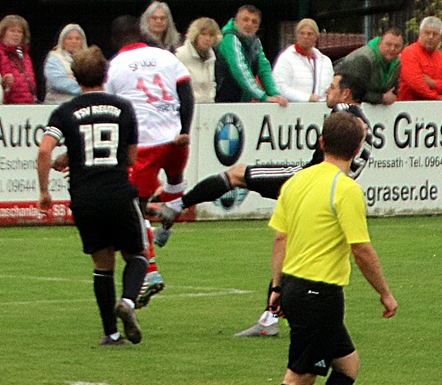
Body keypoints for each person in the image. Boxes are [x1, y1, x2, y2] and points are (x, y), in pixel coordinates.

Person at [156, 73, 373, 339]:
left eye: (332, 87)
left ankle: (176, 205)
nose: (327, 92)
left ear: (347, 94)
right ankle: (270, 318)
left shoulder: (346, 114)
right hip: (325, 188)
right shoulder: (363, 121)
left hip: (307, 179)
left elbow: (344, 116)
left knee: (237, 175)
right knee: (291, 242)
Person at [256, 111, 397, 385]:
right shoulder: (345, 189)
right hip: (319, 293)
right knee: (299, 376)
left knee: (347, 365)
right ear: (357, 149)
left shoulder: (297, 182)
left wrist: (276, 287)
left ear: (320, 143)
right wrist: (385, 293)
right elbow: (361, 249)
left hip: (298, 288)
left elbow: (280, 239)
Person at [37, 45, 149, 346]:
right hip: (117, 192)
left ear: (74, 76)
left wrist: (45, 191)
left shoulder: (64, 112)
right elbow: (131, 156)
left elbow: (45, 150)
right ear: (106, 73)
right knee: (137, 255)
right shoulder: (122, 107)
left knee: (102, 264)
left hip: (85, 197)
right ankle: (126, 302)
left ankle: (111, 333)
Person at [105, 15, 194, 309]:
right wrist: (184, 129)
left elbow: (110, 108)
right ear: (141, 32)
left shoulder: (115, 65)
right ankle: (168, 220)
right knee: (176, 180)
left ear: (117, 39)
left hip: (144, 142)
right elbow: (186, 91)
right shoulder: (164, 56)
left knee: (136, 209)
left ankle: (151, 272)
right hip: (174, 138)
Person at [215, 5, 288, 106]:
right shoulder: (229, 38)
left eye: (254, 22)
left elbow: (264, 68)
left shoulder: (255, 41)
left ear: (258, 27)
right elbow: (240, 70)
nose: (249, 24)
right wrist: (263, 97)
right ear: (236, 20)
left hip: (242, 100)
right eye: (245, 20)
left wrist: (275, 94)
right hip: (223, 100)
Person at [333, 28, 404, 105]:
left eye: (397, 46)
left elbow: (393, 91)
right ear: (379, 43)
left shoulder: (397, 63)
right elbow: (354, 93)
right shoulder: (363, 59)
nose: (392, 49)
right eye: (388, 44)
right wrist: (381, 98)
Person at [272, 18, 334, 103]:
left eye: (310, 34)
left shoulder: (325, 61)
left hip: (321, 109)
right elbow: (280, 87)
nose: (305, 37)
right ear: (297, 35)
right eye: (302, 33)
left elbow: (330, 87)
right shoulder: (286, 58)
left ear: (316, 36)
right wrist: (307, 98)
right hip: (294, 109)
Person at [396, 16, 442, 101]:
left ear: (440, 38)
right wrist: (437, 97)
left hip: (437, 109)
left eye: (435, 34)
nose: (431, 37)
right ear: (420, 34)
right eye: (427, 33)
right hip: (410, 107)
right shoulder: (409, 53)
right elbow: (416, 85)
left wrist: (433, 83)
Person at [0, 15, 39, 104]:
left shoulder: (25, 55)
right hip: (7, 104)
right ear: (3, 32)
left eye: (19, 31)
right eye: (12, 31)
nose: (16, 34)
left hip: (28, 103)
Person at [175, 17, 220, 104]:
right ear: (195, 35)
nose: (207, 38)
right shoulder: (180, 54)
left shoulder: (212, 56)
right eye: (203, 34)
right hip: (187, 105)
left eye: (211, 35)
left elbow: (211, 84)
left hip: (208, 106)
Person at [42, 23, 87, 105]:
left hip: (82, 106)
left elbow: (97, 82)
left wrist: (72, 77)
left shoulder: (89, 60)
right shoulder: (54, 58)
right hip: (57, 105)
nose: (74, 41)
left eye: (77, 39)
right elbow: (60, 83)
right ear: (62, 41)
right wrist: (85, 86)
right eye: (69, 38)